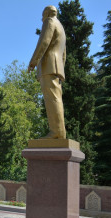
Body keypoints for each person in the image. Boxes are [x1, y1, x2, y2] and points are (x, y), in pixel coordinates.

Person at [28, 5, 67, 139]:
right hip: (57, 67)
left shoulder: (49, 22)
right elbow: (63, 54)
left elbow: (43, 42)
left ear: (46, 13)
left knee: (52, 99)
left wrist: (33, 61)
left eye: (42, 16)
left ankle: (56, 133)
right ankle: (59, 132)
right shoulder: (61, 27)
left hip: (48, 65)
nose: (42, 19)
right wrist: (61, 69)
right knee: (56, 99)